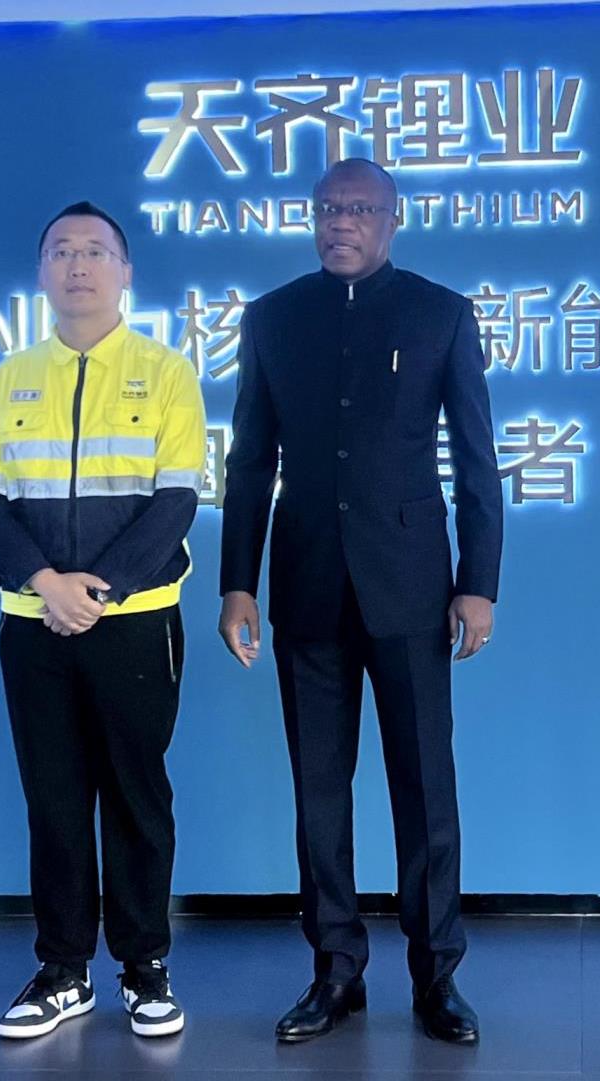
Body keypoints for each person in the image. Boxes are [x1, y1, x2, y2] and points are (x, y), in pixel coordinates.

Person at [218, 159, 504, 1044]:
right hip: (306, 585)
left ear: (392, 219)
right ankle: (334, 969)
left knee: (425, 787)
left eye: (359, 208)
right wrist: (237, 581)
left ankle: (437, 974)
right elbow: (250, 460)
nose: (340, 222)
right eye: (328, 208)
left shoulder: (439, 313)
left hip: (412, 586)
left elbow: (478, 460)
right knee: (318, 791)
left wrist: (479, 583)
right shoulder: (273, 318)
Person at [0, 200, 206, 1040]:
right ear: (40, 273)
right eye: (61, 250)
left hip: (137, 620)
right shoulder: (9, 378)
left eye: (96, 251)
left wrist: (96, 592)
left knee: (136, 795)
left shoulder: (166, 372)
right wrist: (43, 583)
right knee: (54, 799)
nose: (77, 264)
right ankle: (63, 969)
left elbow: (176, 499)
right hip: (32, 624)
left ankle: (145, 965)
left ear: (125, 272)